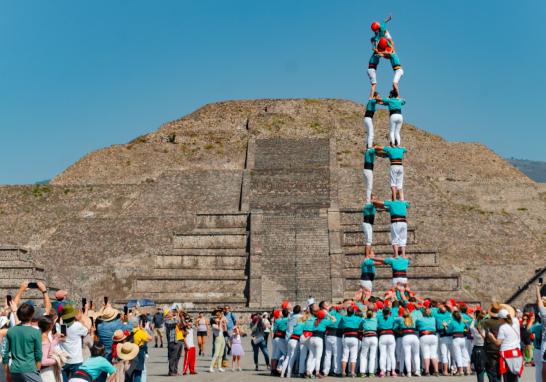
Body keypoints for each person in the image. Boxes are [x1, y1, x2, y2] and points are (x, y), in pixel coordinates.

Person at [2, 303, 43, 382]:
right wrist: (37, 371)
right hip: (30, 369)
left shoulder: (10, 331)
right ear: (32, 315)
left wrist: (7, 373)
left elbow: (5, 354)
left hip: (14, 370)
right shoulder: (36, 332)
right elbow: (38, 355)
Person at [367, 16, 404, 97]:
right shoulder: (377, 35)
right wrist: (389, 18)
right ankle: (396, 96)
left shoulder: (382, 30)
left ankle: (398, 96)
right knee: (373, 39)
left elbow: (388, 46)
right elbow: (384, 21)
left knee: (391, 42)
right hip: (382, 43)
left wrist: (382, 50)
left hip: (385, 37)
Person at [487, 309, 523, 382]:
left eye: (499, 318)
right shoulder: (516, 322)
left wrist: (492, 337)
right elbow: (511, 312)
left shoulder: (503, 328)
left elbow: (498, 343)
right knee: (514, 376)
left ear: (501, 318)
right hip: (516, 353)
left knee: (507, 377)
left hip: (506, 354)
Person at [58, 305, 90, 382]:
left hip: (64, 360)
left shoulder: (58, 326)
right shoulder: (77, 325)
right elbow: (87, 330)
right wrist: (79, 321)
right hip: (76, 359)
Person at [397, 308, 420, 376]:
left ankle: (409, 372)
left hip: (406, 337)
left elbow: (394, 320)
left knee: (407, 355)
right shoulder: (413, 319)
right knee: (416, 355)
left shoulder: (401, 319)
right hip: (414, 336)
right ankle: (417, 371)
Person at [483, 303, 504, 382]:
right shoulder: (503, 322)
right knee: (499, 369)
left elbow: (483, 330)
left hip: (490, 348)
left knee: (491, 370)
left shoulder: (486, 322)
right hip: (500, 347)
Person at [339, 306, 362, 378]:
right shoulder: (358, 318)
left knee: (344, 356)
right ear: (353, 312)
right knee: (353, 357)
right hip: (354, 338)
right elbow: (363, 323)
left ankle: (343, 372)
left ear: (347, 312)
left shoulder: (344, 318)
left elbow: (340, 326)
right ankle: (352, 372)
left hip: (346, 337)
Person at [416, 308, 439, 376]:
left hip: (424, 336)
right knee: (433, 354)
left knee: (426, 355)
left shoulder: (420, 319)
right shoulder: (433, 319)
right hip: (433, 336)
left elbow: (416, 326)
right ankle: (436, 371)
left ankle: (427, 371)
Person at [447, 310, 471, 376]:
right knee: (465, 354)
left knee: (458, 355)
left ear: (453, 316)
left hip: (456, 339)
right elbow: (467, 327)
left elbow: (448, 331)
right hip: (463, 338)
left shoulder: (452, 322)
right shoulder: (462, 322)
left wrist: (445, 326)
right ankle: (467, 370)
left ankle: (461, 371)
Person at [38, 316, 61, 382]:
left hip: (45, 371)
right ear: (50, 326)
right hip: (46, 372)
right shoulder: (44, 339)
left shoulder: (41, 335)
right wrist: (57, 360)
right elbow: (43, 361)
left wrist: (55, 341)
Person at [377, 306, 397, 377]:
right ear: (389, 312)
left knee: (383, 354)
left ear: (382, 312)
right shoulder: (392, 318)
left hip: (382, 336)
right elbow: (395, 326)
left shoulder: (379, 318)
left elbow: (378, 326)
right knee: (391, 354)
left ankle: (382, 371)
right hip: (391, 336)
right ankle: (393, 371)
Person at [360, 307, 378, 377]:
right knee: (372, 356)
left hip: (366, 337)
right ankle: (371, 373)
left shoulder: (364, 320)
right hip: (374, 337)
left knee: (363, 355)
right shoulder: (375, 319)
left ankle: (362, 372)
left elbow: (362, 318)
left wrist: (364, 312)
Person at [471, 310, 488, 382]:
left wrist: (474, 318)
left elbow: (471, 326)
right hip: (485, 348)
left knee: (479, 371)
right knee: (489, 371)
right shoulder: (485, 329)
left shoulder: (473, 329)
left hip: (477, 349)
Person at [163, 310, 181, 376]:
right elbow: (174, 323)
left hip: (176, 340)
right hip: (171, 341)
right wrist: (176, 317)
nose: (172, 313)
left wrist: (178, 315)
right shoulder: (166, 320)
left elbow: (179, 323)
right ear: (167, 314)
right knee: (172, 357)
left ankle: (175, 370)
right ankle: (171, 371)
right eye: (170, 312)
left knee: (176, 356)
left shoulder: (173, 318)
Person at [534, 283, 546, 382]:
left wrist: (537, 289)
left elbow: (539, 303)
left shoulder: (544, 314)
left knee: (544, 366)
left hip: (545, 344)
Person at [271, 309, 288, 374]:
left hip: (275, 338)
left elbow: (274, 330)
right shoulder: (287, 320)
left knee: (274, 354)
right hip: (281, 337)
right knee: (286, 353)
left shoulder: (277, 321)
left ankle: (273, 369)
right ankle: (281, 368)